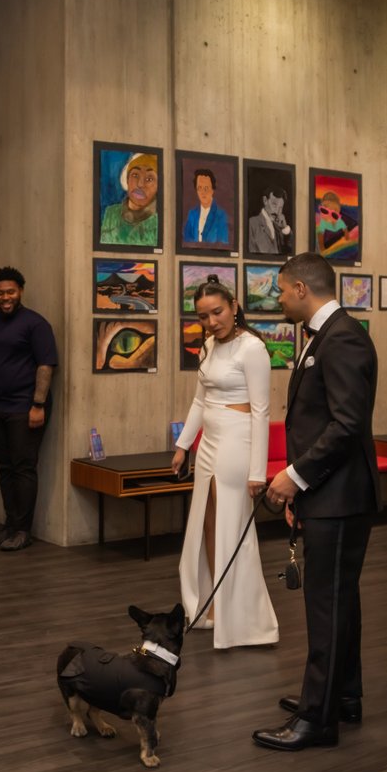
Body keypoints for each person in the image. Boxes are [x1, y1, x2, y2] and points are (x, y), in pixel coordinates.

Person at [255, 252, 381, 751]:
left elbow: (347, 425)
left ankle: (317, 719)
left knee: (326, 606)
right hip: (327, 494)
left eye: (282, 290)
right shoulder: (326, 337)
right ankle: (342, 697)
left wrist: (294, 476)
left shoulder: (344, 337)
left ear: (303, 290)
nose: (279, 298)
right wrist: (300, 492)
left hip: (341, 497)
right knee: (339, 601)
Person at [171, 275, 278, 650]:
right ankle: (215, 604)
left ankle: (245, 618)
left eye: (217, 312)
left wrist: (257, 471)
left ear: (234, 307)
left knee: (232, 527)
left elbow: (262, 411)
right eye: (203, 316)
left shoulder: (252, 348)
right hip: (209, 443)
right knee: (208, 524)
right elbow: (200, 401)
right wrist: (184, 445)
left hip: (237, 440)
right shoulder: (208, 346)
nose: (211, 321)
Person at [0, 266, 58, 552]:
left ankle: (23, 530)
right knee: (4, 467)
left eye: (10, 292)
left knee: (23, 467)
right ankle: (10, 524)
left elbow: (46, 365)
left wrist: (38, 404)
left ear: (20, 291)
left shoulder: (35, 324)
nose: (5, 297)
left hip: (26, 407)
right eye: (0, 293)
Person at [99, 152, 159, 246]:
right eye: (135, 175)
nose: (140, 184)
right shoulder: (111, 213)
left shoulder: (157, 222)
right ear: (127, 179)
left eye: (149, 179)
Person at [182, 168, 230, 246]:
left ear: (212, 190)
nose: (203, 192)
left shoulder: (221, 215)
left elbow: (222, 244)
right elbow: (187, 242)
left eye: (206, 188)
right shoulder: (192, 214)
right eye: (199, 188)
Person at [247, 186, 293, 255]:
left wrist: (285, 227)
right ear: (265, 200)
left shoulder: (279, 227)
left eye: (280, 207)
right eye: (274, 205)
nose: (277, 211)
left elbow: (291, 250)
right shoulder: (252, 223)